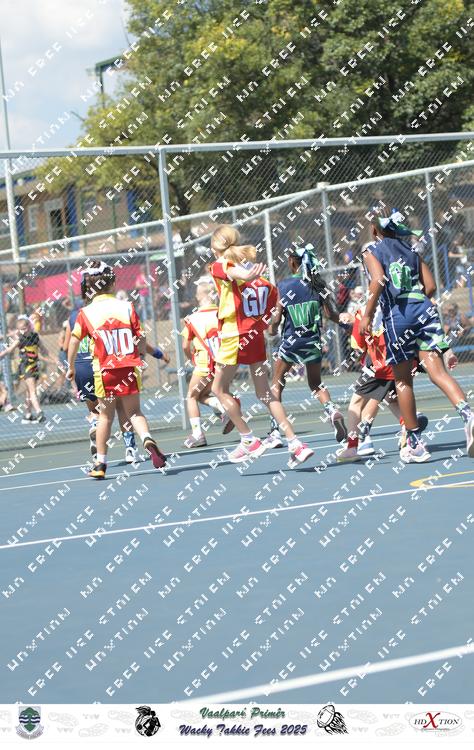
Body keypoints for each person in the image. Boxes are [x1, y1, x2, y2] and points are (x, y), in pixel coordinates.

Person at [359, 209, 474, 462]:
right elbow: (431, 286)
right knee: (438, 372)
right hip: (424, 309)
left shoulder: (371, 251)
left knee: (402, 382)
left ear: (375, 230)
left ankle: (415, 444)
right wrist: (417, 304)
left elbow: (377, 281)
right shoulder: (411, 249)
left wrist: (367, 315)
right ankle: (468, 415)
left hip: (398, 315)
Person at [209, 224, 314, 467]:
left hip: (234, 336)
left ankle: (249, 439)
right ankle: (295, 443)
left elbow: (234, 273)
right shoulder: (263, 281)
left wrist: (247, 277)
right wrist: (252, 279)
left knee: (219, 389)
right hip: (255, 337)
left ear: (216, 248)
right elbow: (273, 306)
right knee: (264, 393)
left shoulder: (220, 265)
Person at [67, 260, 166, 479]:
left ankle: (100, 464)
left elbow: (73, 340)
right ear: (112, 284)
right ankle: (147, 439)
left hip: (104, 370)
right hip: (129, 367)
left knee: (105, 417)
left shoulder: (86, 312)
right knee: (135, 412)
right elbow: (141, 337)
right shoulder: (127, 307)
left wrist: (71, 366)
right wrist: (140, 354)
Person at [264, 245, 348, 449]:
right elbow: (331, 315)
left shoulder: (284, 285)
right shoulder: (317, 284)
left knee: (276, 383)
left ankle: (275, 431)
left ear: (293, 262)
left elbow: (277, 317)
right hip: (313, 341)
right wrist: (346, 321)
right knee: (316, 383)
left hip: (291, 341)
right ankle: (332, 410)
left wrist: (272, 328)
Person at [336, 305, 429, 462]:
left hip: (380, 366)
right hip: (405, 360)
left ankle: (353, 446)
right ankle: (410, 433)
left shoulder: (362, 313)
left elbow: (358, 345)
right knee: (391, 399)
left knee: (356, 403)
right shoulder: (397, 308)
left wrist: (353, 323)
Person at [181, 280, 233, 448]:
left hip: (205, 364)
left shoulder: (192, 319)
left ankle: (198, 434)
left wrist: (192, 359)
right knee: (202, 395)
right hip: (223, 362)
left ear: (198, 297)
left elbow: (185, 346)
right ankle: (221, 406)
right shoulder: (222, 314)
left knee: (191, 396)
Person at [0, 315, 48, 424]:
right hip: (27, 367)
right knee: (31, 391)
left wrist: (53, 359)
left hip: (34, 366)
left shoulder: (35, 337)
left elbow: (44, 350)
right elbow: (9, 350)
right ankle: (36, 412)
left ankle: (30, 414)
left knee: (29, 392)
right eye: (20, 329)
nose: (23, 331)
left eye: (24, 328)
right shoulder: (20, 339)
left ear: (29, 327)